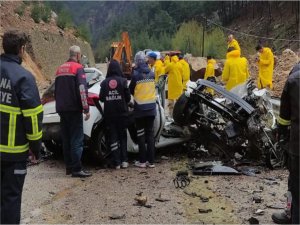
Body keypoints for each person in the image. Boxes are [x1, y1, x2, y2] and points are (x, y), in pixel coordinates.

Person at [1, 29, 43, 224]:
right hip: (13, 154)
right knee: (10, 199)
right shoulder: (24, 78)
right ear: (22, 50)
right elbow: (33, 117)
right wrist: (36, 148)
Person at [55, 45, 92, 178]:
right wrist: (86, 108)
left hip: (61, 109)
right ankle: (77, 169)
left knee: (66, 139)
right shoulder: (78, 68)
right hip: (74, 109)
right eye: (80, 56)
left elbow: (55, 90)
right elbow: (82, 89)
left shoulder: (60, 69)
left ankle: (69, 167)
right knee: (77, 139)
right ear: (77, 56)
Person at [272, 62, 300, 224]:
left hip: (297, 147)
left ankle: (292, 215)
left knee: (296, 188)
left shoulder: (294, 78)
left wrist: (281, 136)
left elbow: (283, 117)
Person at [99, 60, 131, 169]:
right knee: (122, 137)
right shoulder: (123, 81)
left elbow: (101, 98)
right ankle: (124, 161)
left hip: (110, 114)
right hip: (122, 114)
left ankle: (116, 162)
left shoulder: (104, 83)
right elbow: (128, 98)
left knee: (113, 137)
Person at [129, 51, 156, 168]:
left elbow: (130, 90)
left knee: (141, 135)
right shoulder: (152, 73)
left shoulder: (135, 75)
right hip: (151, 109)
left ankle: (142, 161)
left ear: (137, 62)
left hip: (140, 109)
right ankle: (151, 162)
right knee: (150, 135)